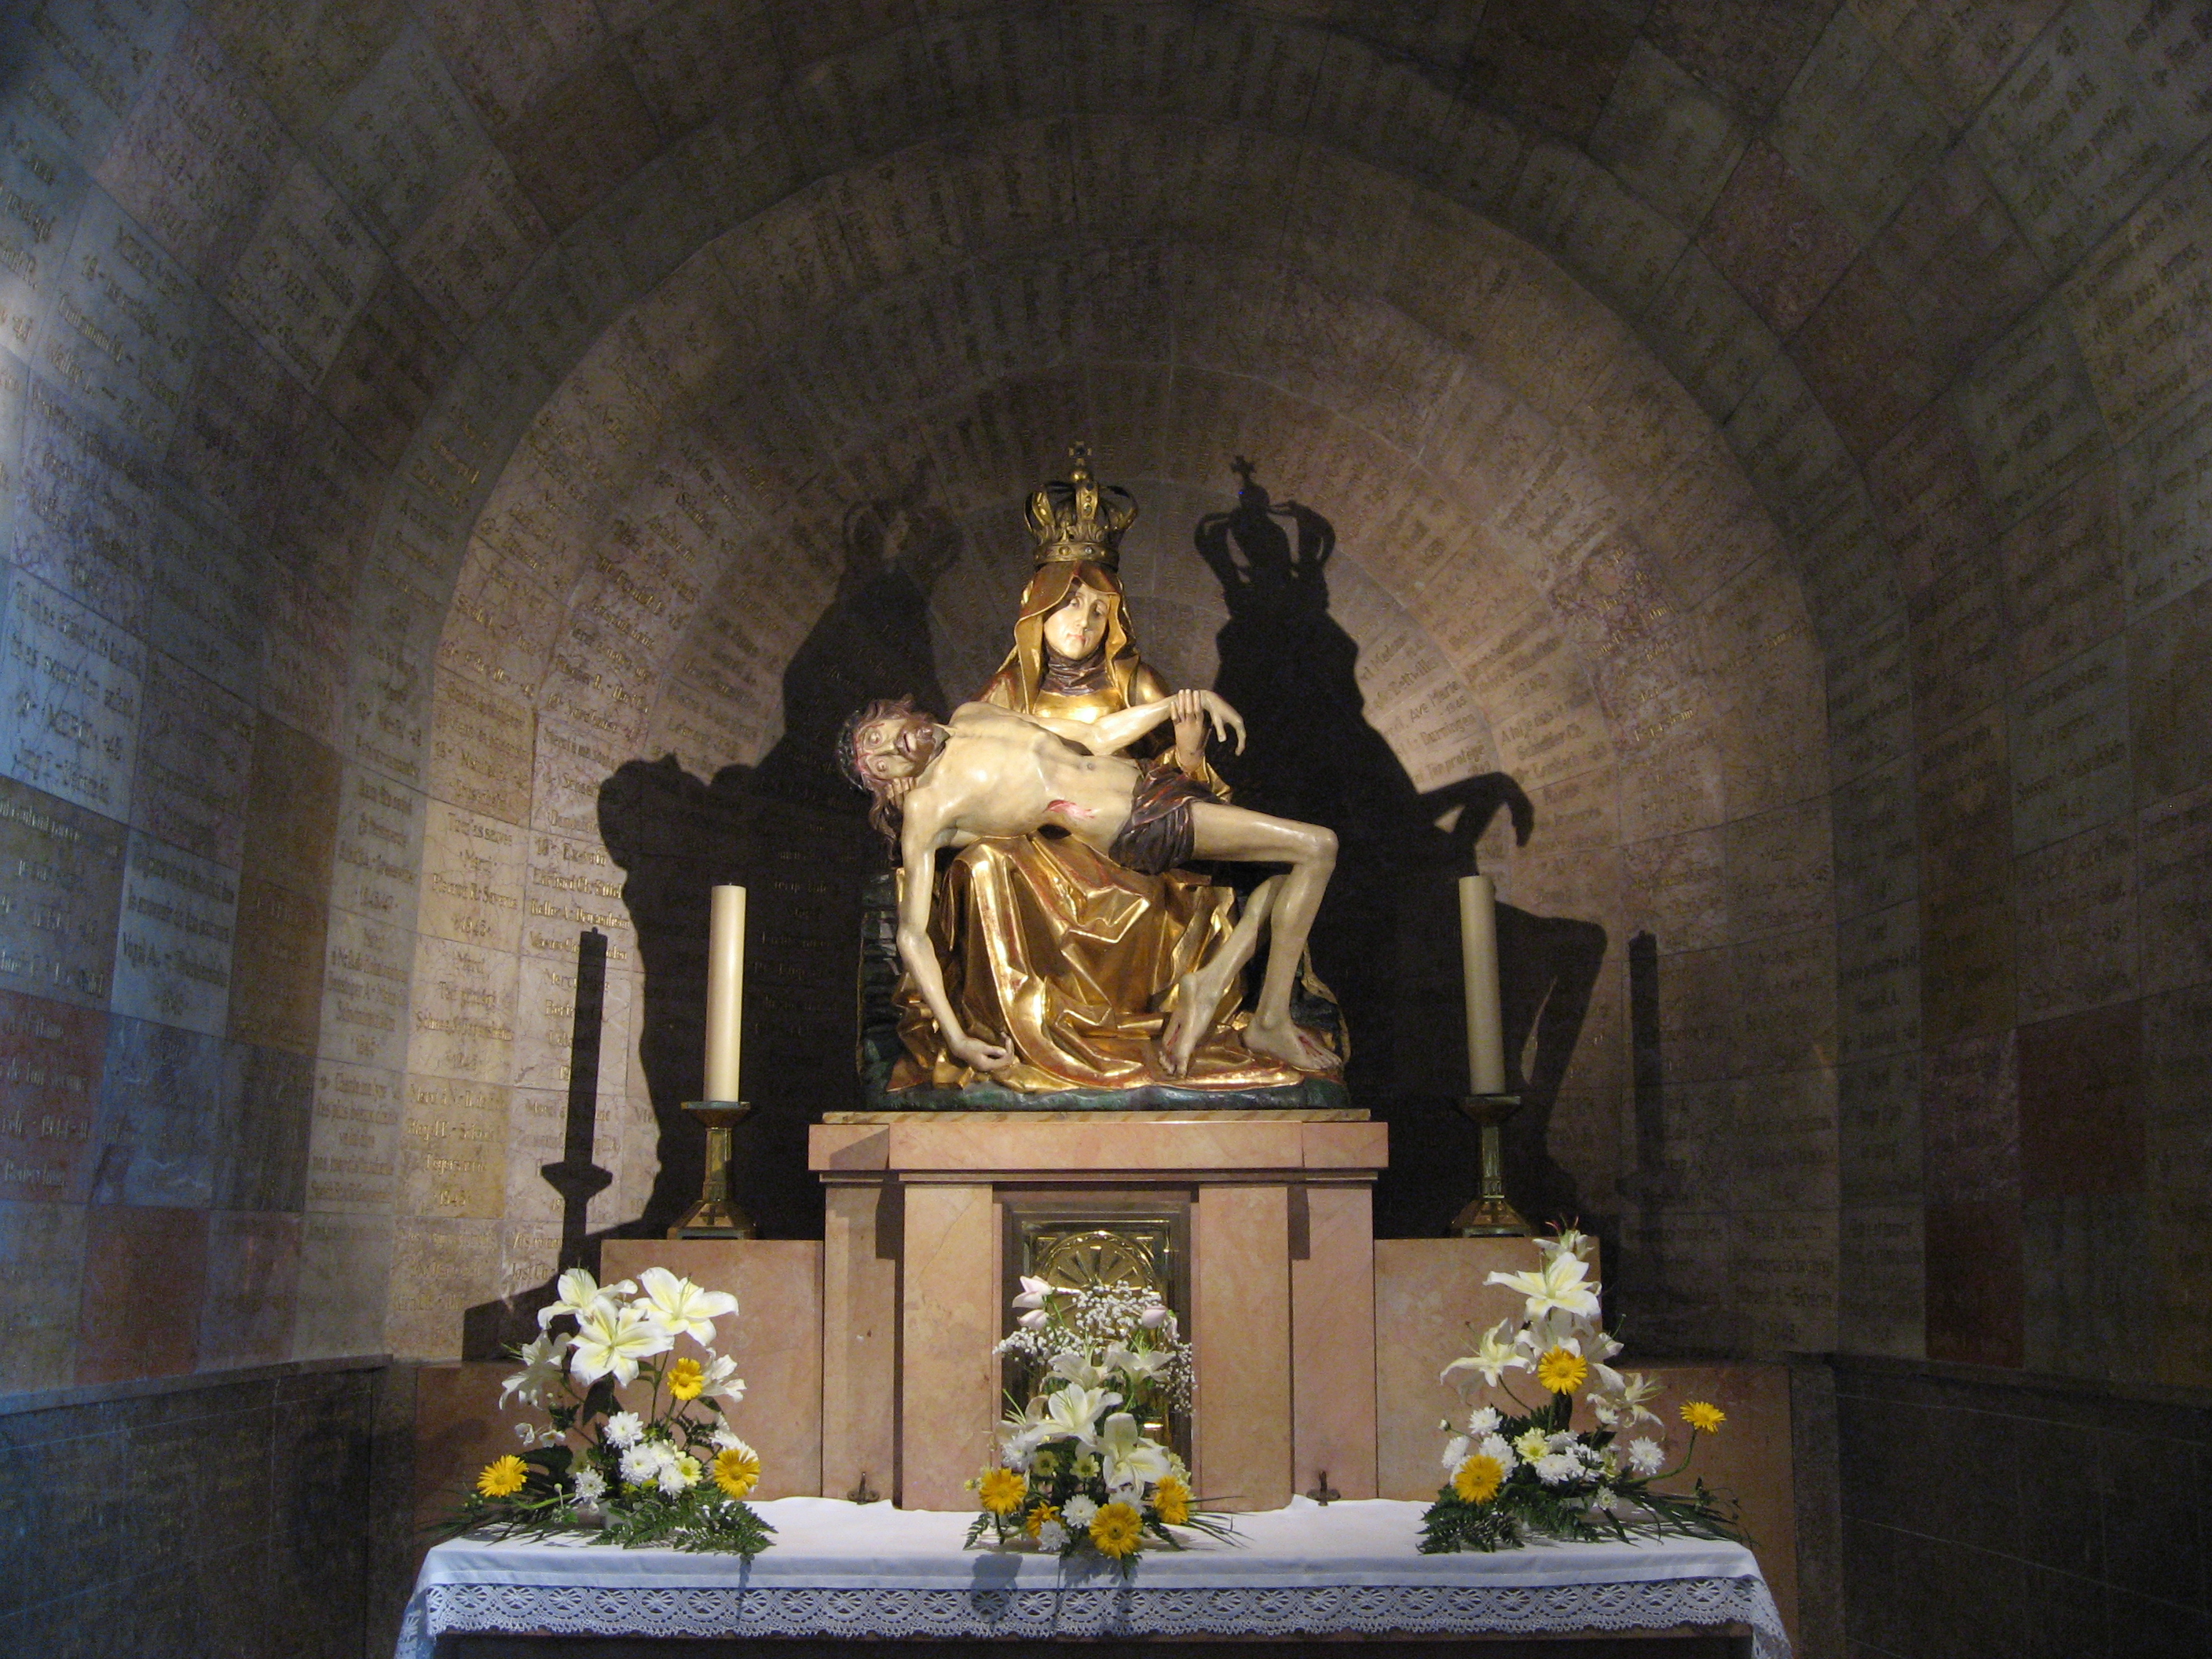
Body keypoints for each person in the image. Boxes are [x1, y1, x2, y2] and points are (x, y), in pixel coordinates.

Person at [883, 449, 1334, 1093]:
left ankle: (1219, 996)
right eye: (1070, 607)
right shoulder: (1001, 697)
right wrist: (905, 784)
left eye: (1099, 610)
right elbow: (950, 782)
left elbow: (1180, 784)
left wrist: (1187, 751)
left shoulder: (1137, 683)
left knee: (1260, 866)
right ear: (1037, 609)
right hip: (1038, 854)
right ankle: (1019, 1029)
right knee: (983, 869)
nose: (1084, 623)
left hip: (1141, 832)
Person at [842, 693, 1339, 1077]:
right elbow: (912, 933)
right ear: (890, 785)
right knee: (1317, 847)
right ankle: (1269, 1021)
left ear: (893, 713)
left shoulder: (973, 714)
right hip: (1136, 822)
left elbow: (1096, 735)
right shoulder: (929, 805)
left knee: (1279, 878)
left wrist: (1181, 703)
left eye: (877, 735)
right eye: (880, 764)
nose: (890, 748)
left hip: (1152, 780)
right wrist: (956, 1038)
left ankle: (1210, 985)